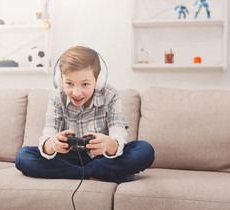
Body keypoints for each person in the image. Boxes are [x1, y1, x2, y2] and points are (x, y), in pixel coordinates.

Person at [16, 46, 154, 183]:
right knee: (24, 156)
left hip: (102, 156)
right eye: (69, 83)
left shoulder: (110, 95)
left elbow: (118, 133)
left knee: (145, 150)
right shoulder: (57, 97)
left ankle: (78, 173)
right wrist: (52, 143)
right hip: (69, 157)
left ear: (98, 81)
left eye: (85, 84)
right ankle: (100, 175)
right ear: (60, 80)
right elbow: (48, 137)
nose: (76, 92)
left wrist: (109, 144)